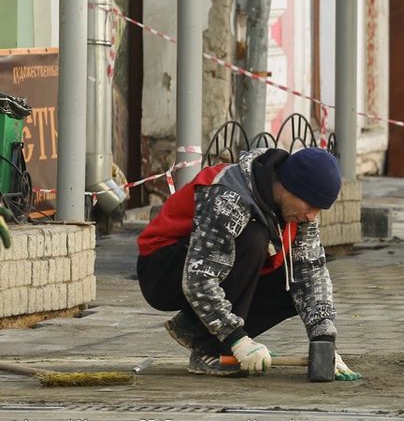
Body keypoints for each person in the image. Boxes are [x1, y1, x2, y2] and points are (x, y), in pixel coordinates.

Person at [136, 146, 361, 379]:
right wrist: (236, 339)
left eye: (319, 210)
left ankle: (195, 325)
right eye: (311, 206)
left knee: (297, 285)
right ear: (288, 187)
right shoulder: (228, 196)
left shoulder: (298, 212)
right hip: (162, 270)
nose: (312, 216)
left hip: (202, 271)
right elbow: (199, 278)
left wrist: (324, 339)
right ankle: (209, 349)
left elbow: (311, 271)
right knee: (254, 238)